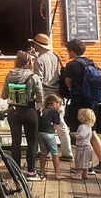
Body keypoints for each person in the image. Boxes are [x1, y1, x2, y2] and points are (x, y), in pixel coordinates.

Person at [62, 39, 101, 174]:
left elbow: (68, 84)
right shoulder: (91, 62)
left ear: (72, 51)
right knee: (92, 132)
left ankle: (86, 167)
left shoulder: (72, 65)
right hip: (92, 102)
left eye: (68, 51)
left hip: (79, 103)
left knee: (81, 135)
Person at [1, 51, 44, 181]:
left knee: (16, 141)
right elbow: (40, 98)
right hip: (29, 111)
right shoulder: (33, 77)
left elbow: (4, 96)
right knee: (32, 141)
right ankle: (31, 172)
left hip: (13, 111)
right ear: (29, 62)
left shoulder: (10, 75)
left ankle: (16, 170)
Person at [29, 33, 72, 161]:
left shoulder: (39, 60)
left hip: (46, 95)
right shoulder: (54, 57)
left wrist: (36, 98)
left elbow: (38, 80)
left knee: (42, 126)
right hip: (57, 95)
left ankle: (44, 152)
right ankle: (67, 152)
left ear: (37, 45)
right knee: (61, 125)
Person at [37, 94, 64, 182]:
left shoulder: (41, 110)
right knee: (55, 153)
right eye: (59, 104)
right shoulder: (54, 113)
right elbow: (55, 126)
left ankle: (42, 172)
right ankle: (57, 173)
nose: (59, 106)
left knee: (43, 152)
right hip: (49, 134)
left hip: (39, 133)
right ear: (54, 103)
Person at [72, 107, 96, 179]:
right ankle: (85, 174)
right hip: (87, 147)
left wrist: (74, 135)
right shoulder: (88, 126)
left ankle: (78, 174)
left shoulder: (83, 126)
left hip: (83, 147)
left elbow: (82, 136)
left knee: (80, 161)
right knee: (86, 161)